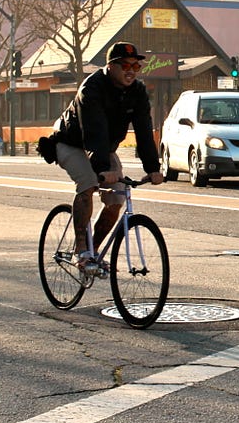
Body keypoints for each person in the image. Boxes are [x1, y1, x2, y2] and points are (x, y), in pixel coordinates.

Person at [49, 41, 163, 272]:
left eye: (136, 66)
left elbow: (143, 129)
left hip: (103, 146)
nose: (131, 70)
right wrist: (101, 169)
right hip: (70, 142)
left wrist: (153, 168)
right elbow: (94, 130)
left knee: (117, 198)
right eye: (124, 65)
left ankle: (94, 252)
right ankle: (82, 251)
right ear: (110, 66)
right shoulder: (92, 88)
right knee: (89, 183)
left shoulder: (138, 92)